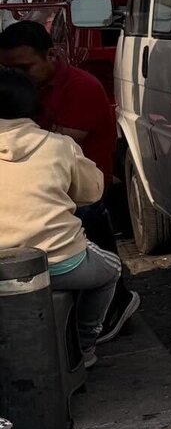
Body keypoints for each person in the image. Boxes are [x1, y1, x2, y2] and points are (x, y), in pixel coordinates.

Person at [0, 20, 140, 342]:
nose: (14, 76)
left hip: (81, 193)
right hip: (48, 198)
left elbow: (52, 156)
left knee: (91, 240)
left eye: (23, 68)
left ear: (51, 55)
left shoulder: (81, 88)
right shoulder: (23, 96)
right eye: (7, 69)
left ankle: (112, 310)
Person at [0, 67, 121, 368]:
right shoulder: (58, 145)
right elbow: (92, 192)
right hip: (62, 262)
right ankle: (85, 346)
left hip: (3, 269)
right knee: (111, 269)